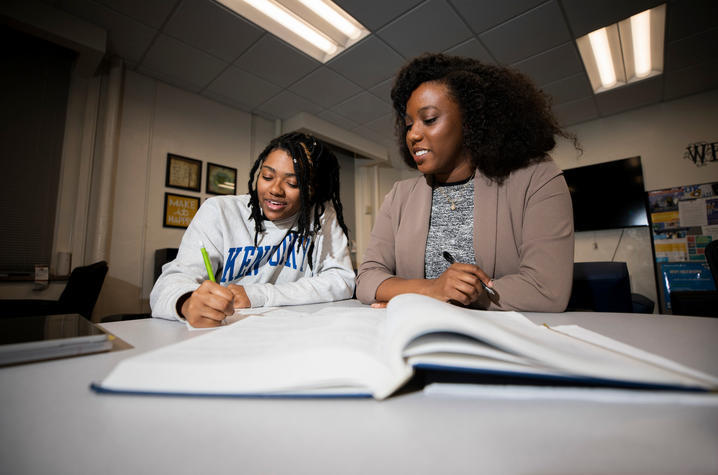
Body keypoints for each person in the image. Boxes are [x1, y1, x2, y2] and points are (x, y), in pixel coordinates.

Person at [356, 53, 575, 312]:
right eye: (409, 124)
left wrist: (461, 296)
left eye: (429, 120)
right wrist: (431, 290)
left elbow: (547, 290)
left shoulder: (537, 178)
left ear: (470, 122)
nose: (413, 134)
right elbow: (367, 279)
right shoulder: (399, 195)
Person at [151, 132, 355, 327]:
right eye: (267, 177)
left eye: (293, 183)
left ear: (313, 190)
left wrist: (259, 295)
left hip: (291, 334)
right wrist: (187, 302)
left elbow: (341, 280)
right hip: (225, 334)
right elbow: (168, 284)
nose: (275, 190)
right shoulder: (219, 211)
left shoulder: (320, 216)